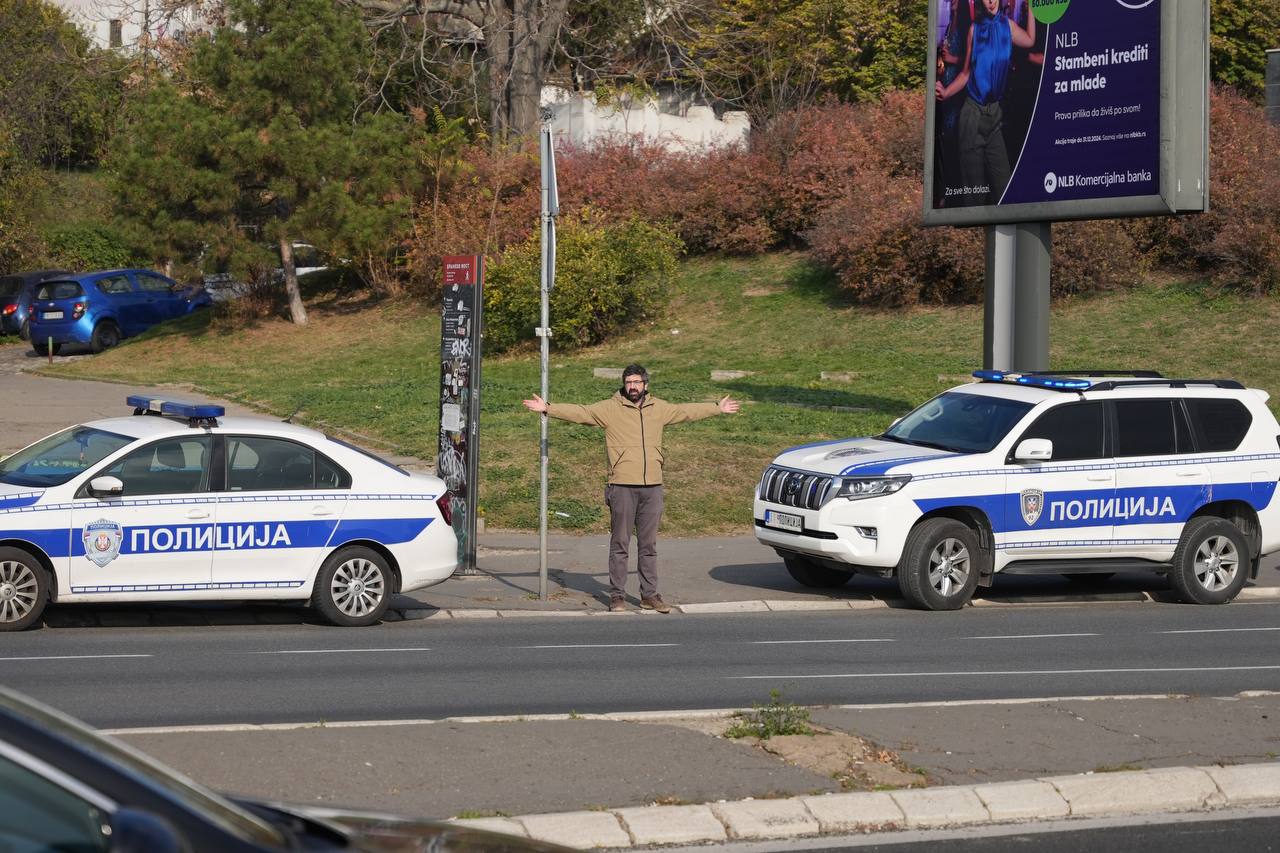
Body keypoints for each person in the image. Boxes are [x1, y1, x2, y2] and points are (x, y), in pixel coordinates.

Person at [523, 364, 741, 613]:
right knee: (620, 544)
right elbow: (581, 412)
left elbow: (685, 411)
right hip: (622, 486)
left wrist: (717, 408)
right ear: (624, 385)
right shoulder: (610, 408)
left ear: (646, 384)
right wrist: (548, 408)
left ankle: (650, 595)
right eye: (629, 382)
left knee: (648, 546)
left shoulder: (658, 408)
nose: (633, 387)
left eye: (637, 382)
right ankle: (616, 597)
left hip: (652, 487)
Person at [935, 0, 1035, 206]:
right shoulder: (974, 29)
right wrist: (946, 92)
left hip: (995, 115)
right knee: (975, 196)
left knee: (1004, 189)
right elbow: (965, 73)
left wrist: (1032, 8)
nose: (990, 1)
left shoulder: (1008, 26)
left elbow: (1030, 40)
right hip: (972, 115)